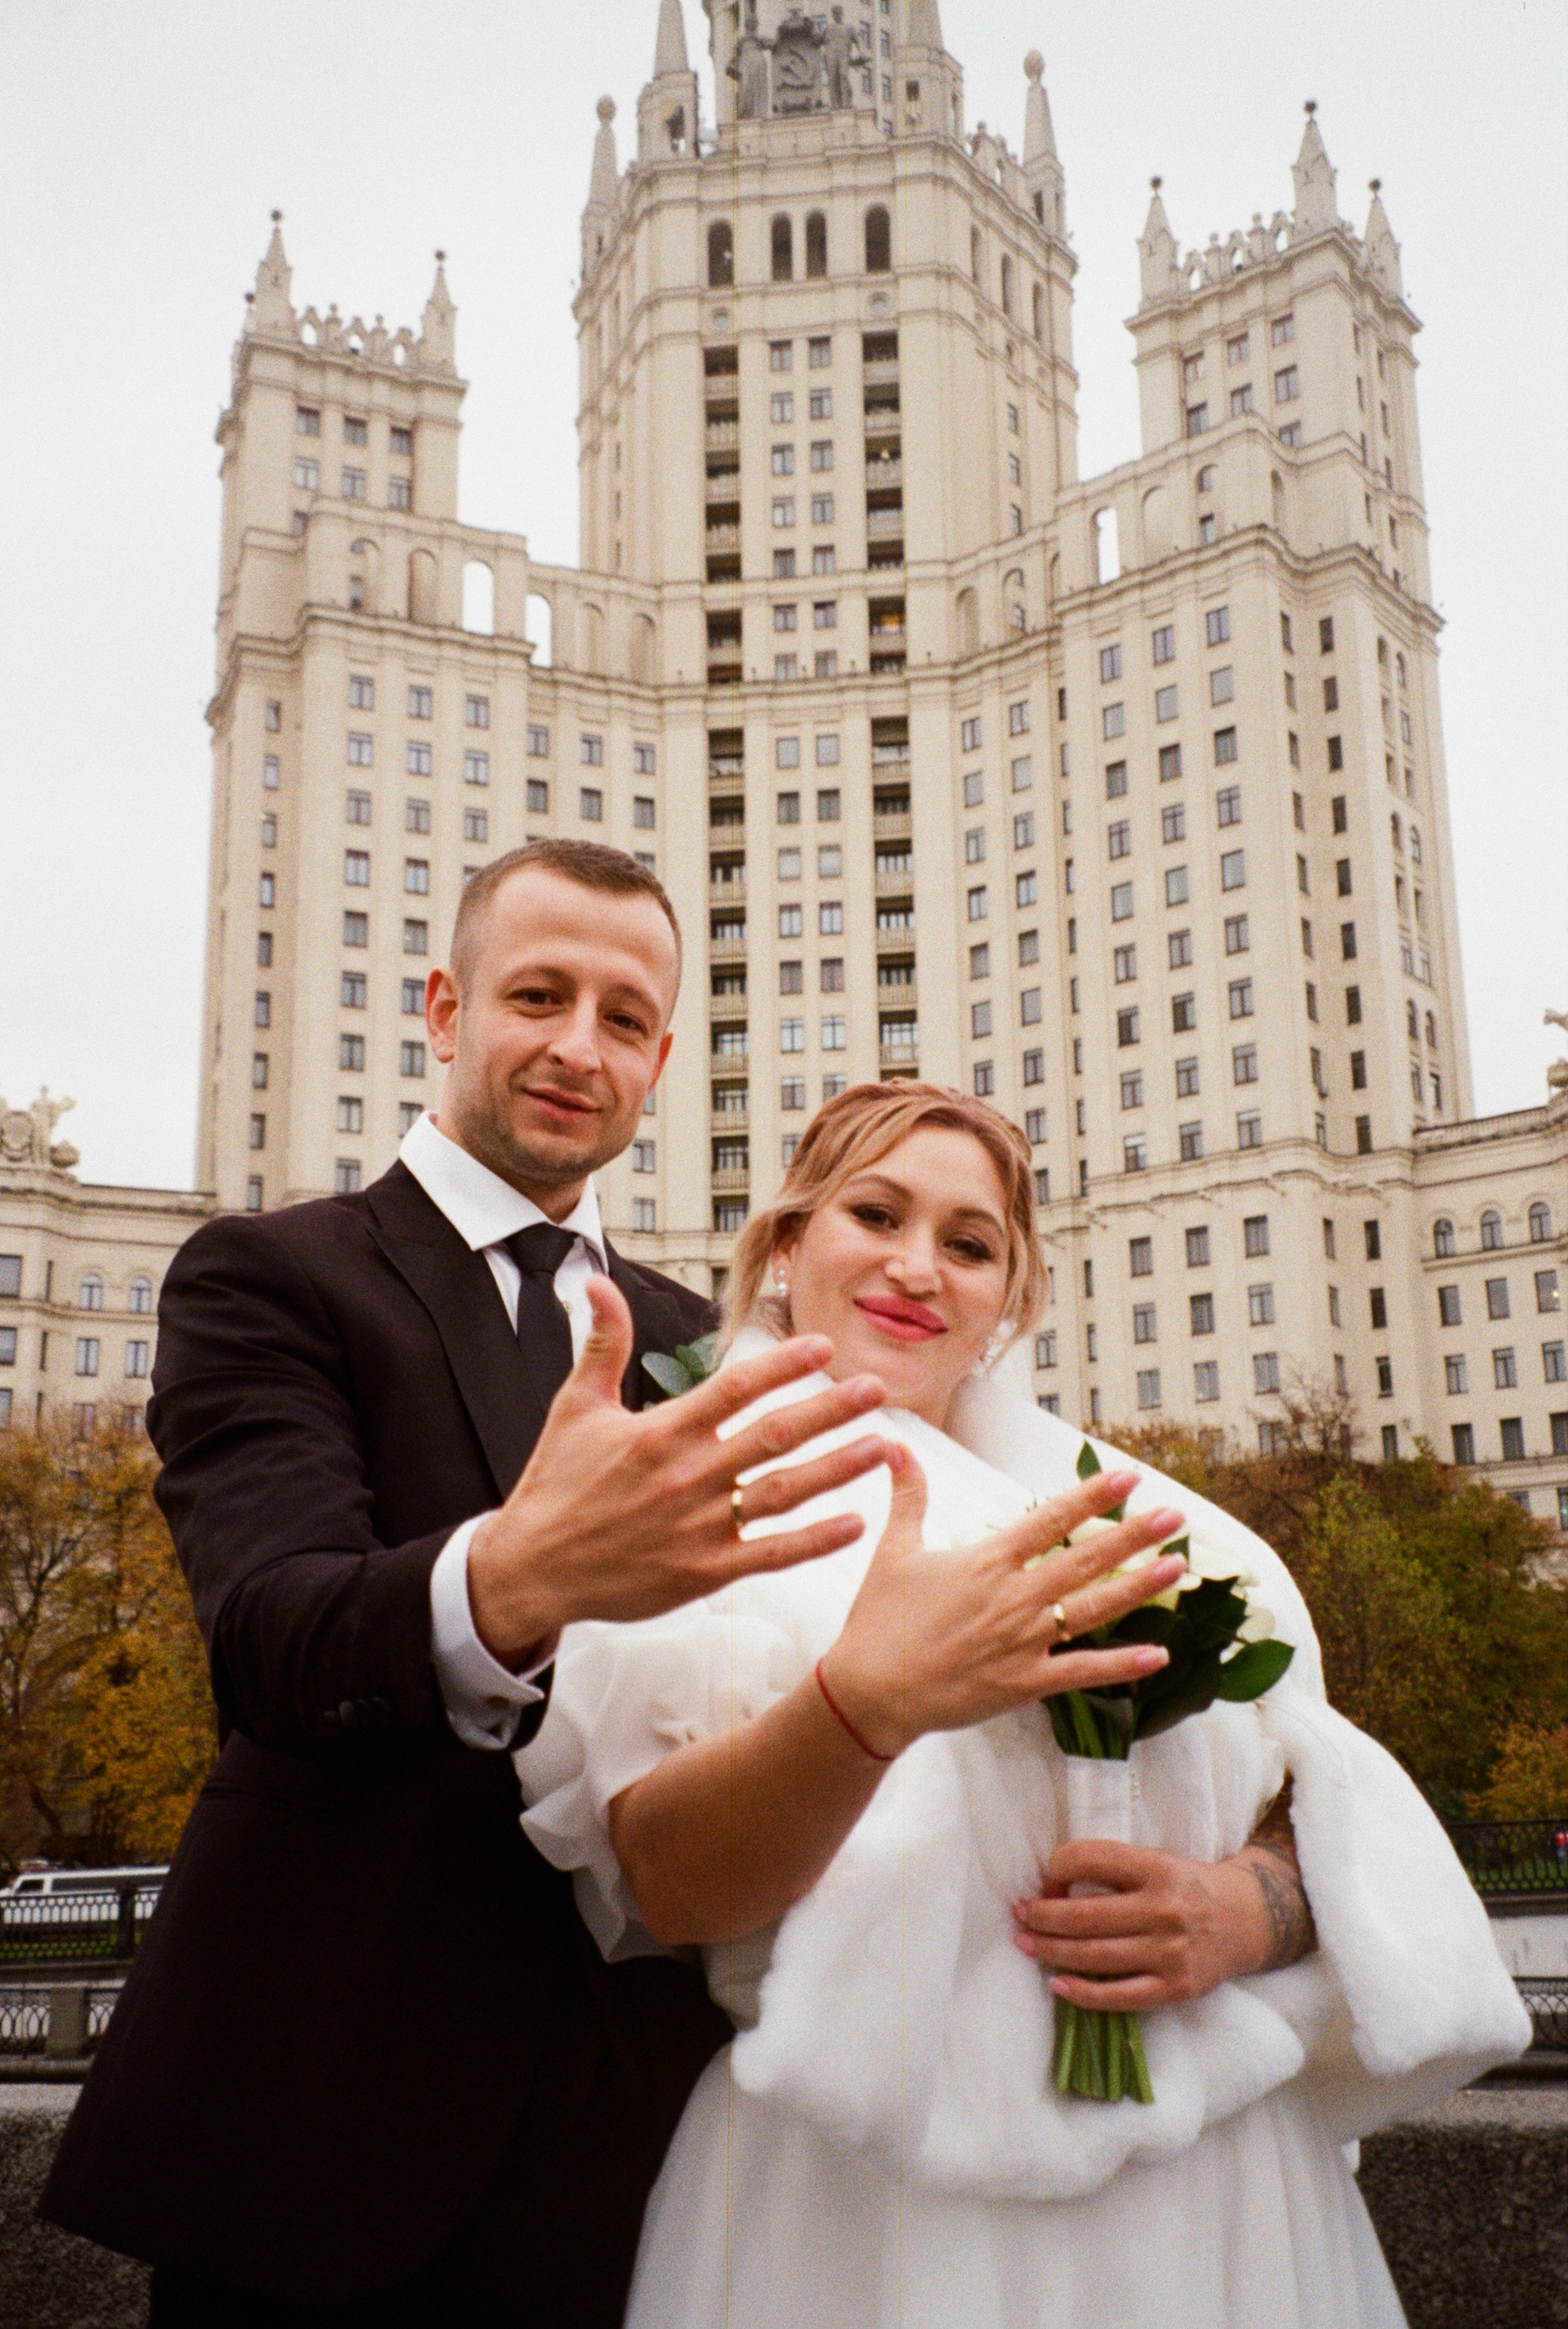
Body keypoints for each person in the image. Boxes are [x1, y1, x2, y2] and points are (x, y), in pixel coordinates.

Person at [42, 843, 919, 2327]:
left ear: (658, 1064)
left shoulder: (704, 1344)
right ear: (447, 1009)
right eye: (539, 993)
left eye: (627, 1016)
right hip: (329, 2128)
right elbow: (270, 1637)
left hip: (644, 2142)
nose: (581, 1044)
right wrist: (508, 1581)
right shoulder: (270, 1273)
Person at [518, 1081, 1530, 2329]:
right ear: (788, 1244)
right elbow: (664, 1883)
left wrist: (1246, 1910)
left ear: (1013, 1296)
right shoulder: (689, 1497)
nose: (915, 1266)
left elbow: (1317, 1802)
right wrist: (859, 1707)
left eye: (969, 1241)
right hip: (874, 2213)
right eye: (874, 1212)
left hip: (1215, 2195)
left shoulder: (1155, 1523)